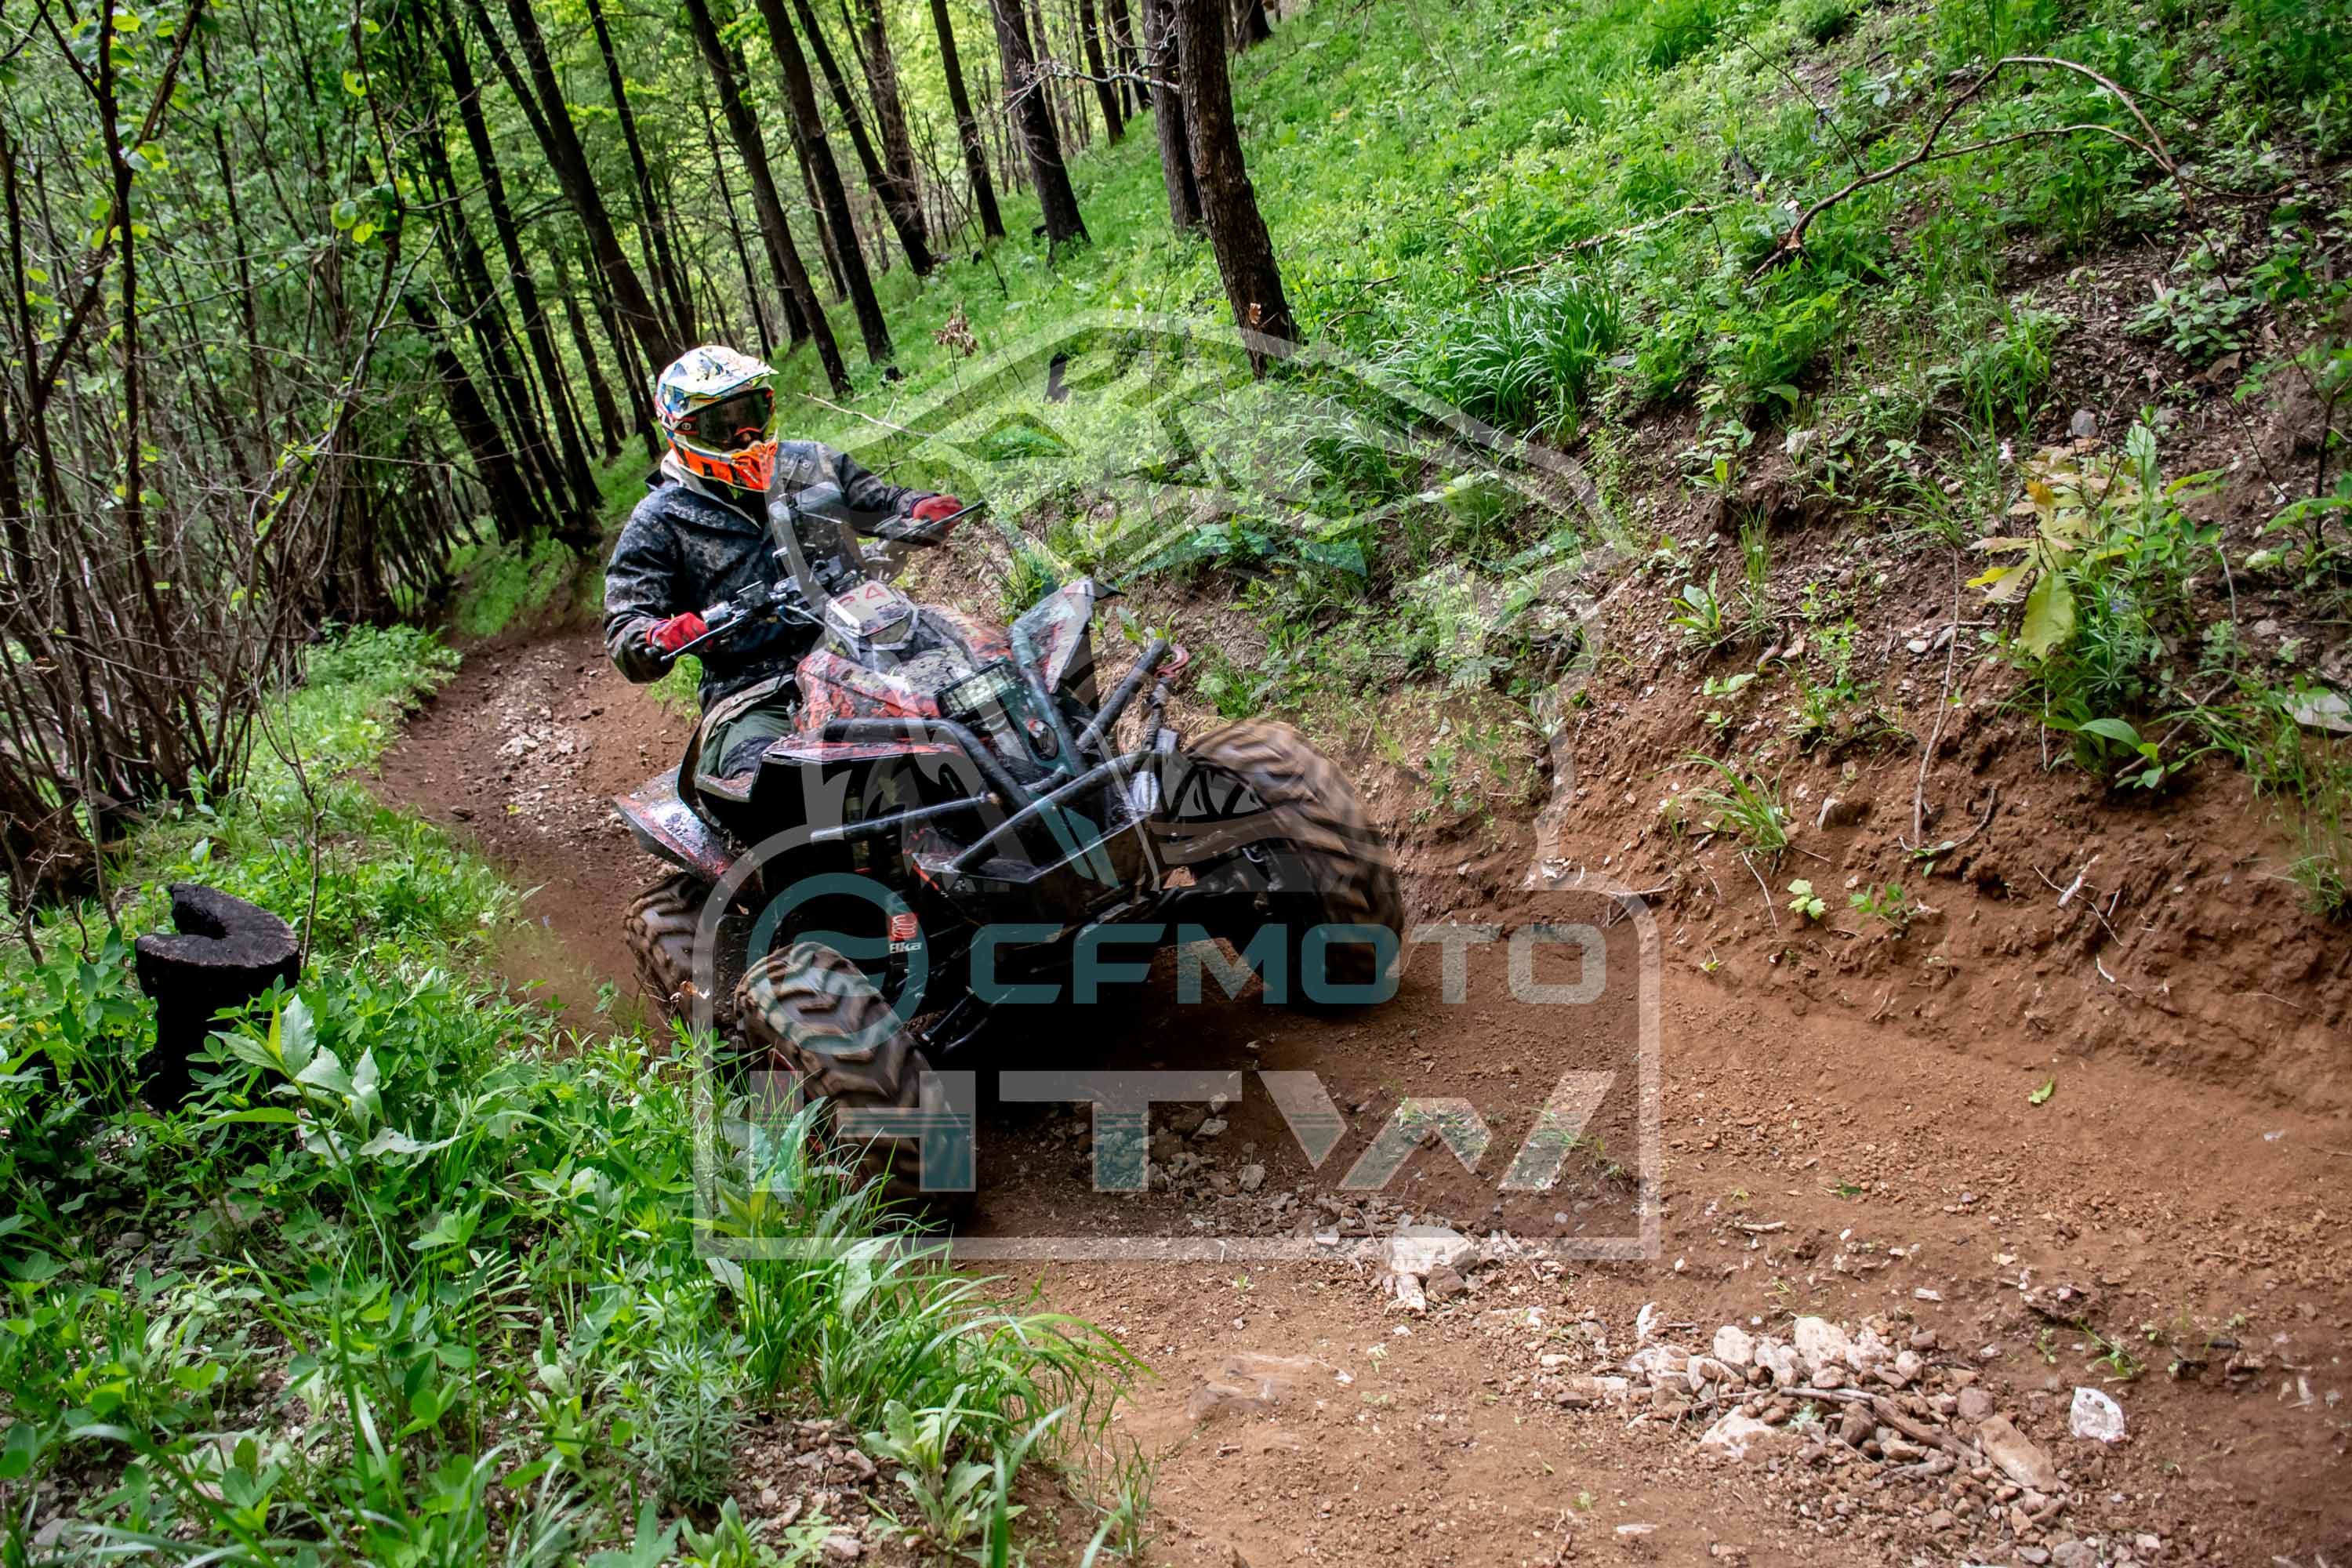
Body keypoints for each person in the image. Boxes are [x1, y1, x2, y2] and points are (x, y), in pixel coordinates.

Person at [604, 345, 964, 795]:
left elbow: (880, 501)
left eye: (751, 413)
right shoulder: (659, 520)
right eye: (723, 424)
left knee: (981, 676)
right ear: (685, 430)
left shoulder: (810, 464)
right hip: (758, 687)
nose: (744, 433)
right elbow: (625, 624)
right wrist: (658, 636)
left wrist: (917, 507)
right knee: (767, 783)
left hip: (869, 641)